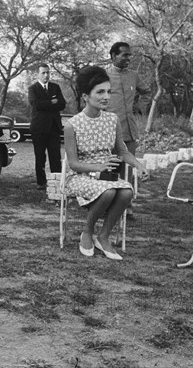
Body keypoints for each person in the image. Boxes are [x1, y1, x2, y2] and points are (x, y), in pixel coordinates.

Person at [63, 66, 149, 260]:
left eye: (109, 92)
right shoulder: (72, 125)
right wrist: (97, 167)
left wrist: (140, 166)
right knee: (108, 191)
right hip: (79, 176)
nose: (106, 97)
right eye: (100, 92)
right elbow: (74, 164)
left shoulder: (112, 119)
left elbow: (122, 151)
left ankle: (103, 237)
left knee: (126, 191)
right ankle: (87, 232)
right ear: (86, 96)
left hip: (105, 176)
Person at [105, 42, 151, 218]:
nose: (128, 58)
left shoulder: (133, 75)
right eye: (124, 55)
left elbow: (147, 92)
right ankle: (106, 205)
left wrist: (140, 107)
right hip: (108, 129)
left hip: (129, 130)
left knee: (128, 169)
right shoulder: (104, 75)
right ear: (113, 56)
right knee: (109, 168)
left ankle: (126, 206)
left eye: (129, 55)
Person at [28, 64, 67, 190]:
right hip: (39, 128)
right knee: (40, 156)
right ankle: (41, 182)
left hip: (54, 128)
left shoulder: (55, 87)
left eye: (48, 72)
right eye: (43, 73)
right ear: (37, 74)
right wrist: (51, 102)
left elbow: (62, 104)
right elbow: (36, 104)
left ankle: (57, 182)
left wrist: (48, 104)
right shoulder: (33, 89)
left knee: (55, 156)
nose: (46, 75)